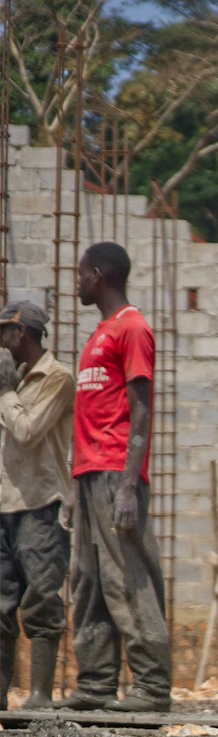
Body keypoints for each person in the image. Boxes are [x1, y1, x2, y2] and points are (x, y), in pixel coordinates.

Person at [62, 241, 172, 712]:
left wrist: (129, 484)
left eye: (81, 274)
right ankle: (96, 682)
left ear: (100, 275)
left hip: (115, 472)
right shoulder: (99, 333)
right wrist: (72, 489)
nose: (77, 282)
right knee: (87, 580)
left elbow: (142, 410)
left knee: (128, 576)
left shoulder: (132, 328)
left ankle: (151, 685)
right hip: (88, 475)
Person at [0, 301, 75, 709]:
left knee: (42, 600)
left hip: (40, 507)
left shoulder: (57, 378)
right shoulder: (12, 379)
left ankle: (41, 695)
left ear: (22, 333)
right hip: (5, 506)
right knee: (1, 604)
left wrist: (7, 393)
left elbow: (28, 432)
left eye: (3, 332)